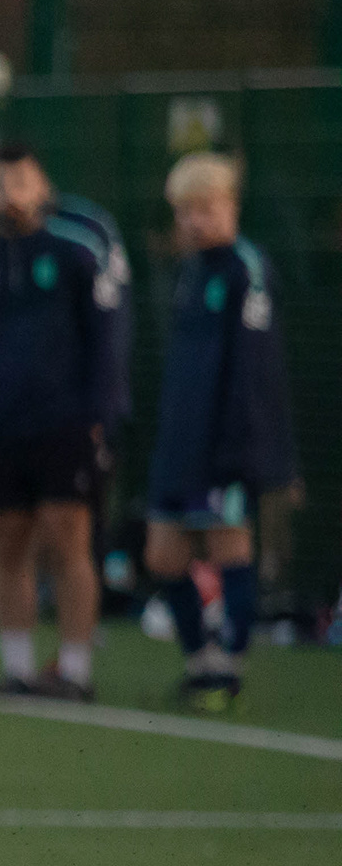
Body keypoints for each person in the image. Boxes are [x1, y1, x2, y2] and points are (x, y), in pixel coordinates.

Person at [0, 140, 129, 699]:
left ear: (42, 186)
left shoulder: (77, 252)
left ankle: (75, 670)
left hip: (65, 423)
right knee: (6, 544)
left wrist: (99, 415)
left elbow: (105, 343)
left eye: (21, 182)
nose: (10, 194)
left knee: (68, 541)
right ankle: (18, 668)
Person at [143, 153, 299, 714]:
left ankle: (229, 665)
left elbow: (257, 372)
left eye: (205, 208)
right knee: (162, 557)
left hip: (227, 447)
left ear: (230, 206)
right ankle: (200, 658)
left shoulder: (245, 270)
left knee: (229, 547)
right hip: (179, 444)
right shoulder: (190, 272)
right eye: (185, 211)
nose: (193, 221)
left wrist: (253, 453)